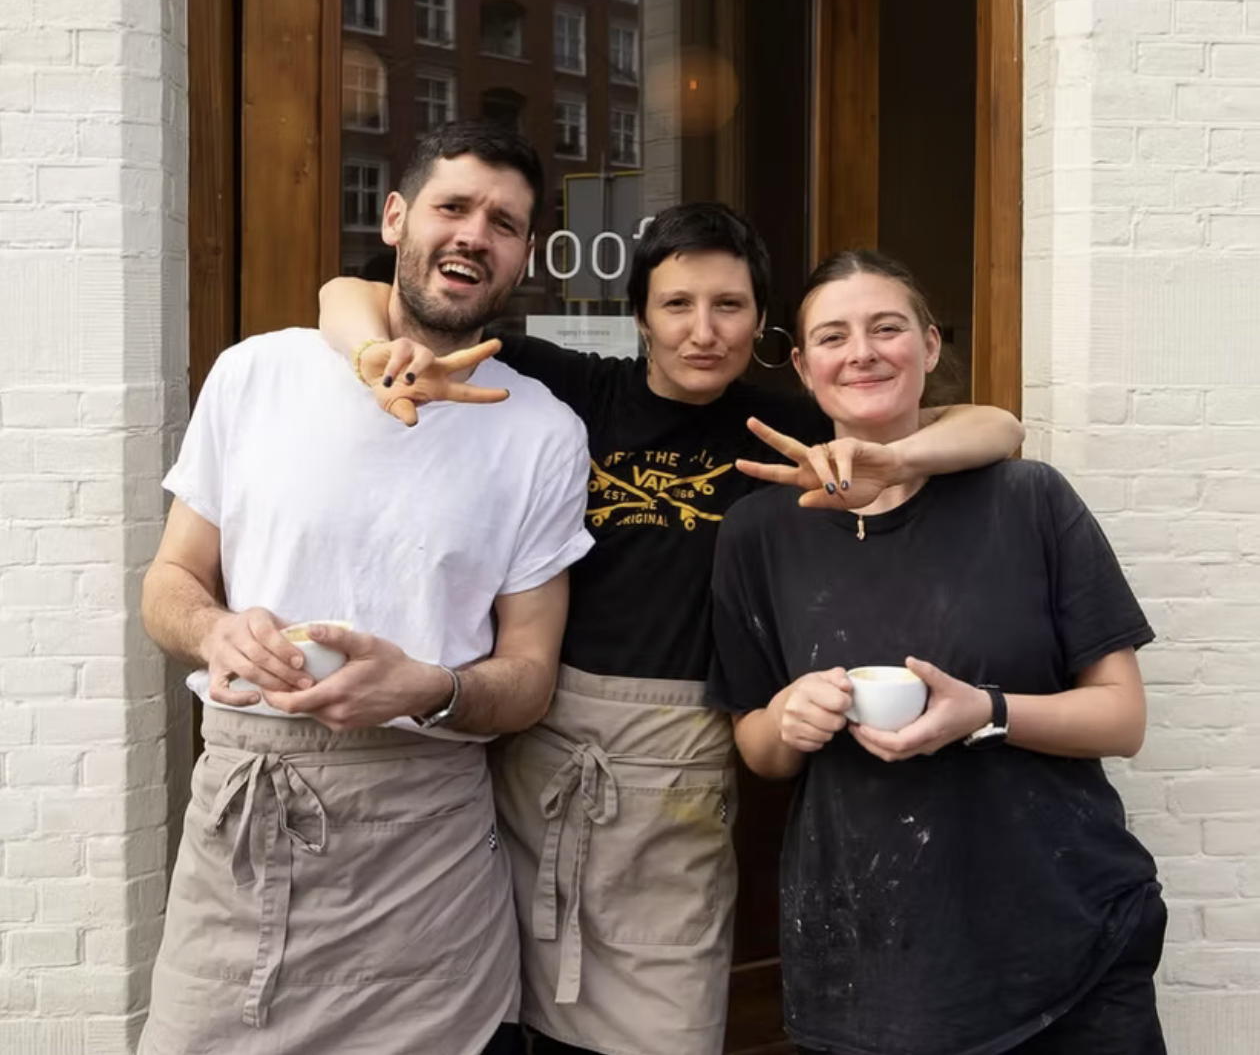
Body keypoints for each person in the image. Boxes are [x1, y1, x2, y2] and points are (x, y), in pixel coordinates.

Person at [320, 206, 1024, 1055]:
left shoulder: (786, 422)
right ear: (641, 317)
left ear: (760, 322)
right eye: (677, 305)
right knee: (506, 1014)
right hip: (540, 754)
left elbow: (999, 428)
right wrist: (373, 354)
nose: (703, 331)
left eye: (728, 306)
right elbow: (347, 291)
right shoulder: (576, 387)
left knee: (670, 1021)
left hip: (684, 769)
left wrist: (896, 460)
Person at [139, 126, 593, 1055]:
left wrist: (430, 689)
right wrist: (218, 632)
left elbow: (530, 677)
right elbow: (170, 583)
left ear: (525, 258)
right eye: (452, 207)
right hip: (244, 812)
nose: (475, 234)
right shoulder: (257, 373)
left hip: (424, 852)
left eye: (504, 223)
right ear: (396, 219)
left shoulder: (544, 431)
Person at [708, 248, 1165, 1055]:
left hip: (1068, 940)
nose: (862, 352)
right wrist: (787, 716)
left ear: (929, 346)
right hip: (871, 958)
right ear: (806, 370)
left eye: (887, 329)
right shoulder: (759, 531)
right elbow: (756, 746)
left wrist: (986, 712)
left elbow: (1121, 718)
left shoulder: (1028, 498)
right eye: (833, 337)